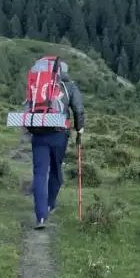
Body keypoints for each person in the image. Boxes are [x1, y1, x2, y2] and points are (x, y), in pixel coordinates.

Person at [27, 58, 85, 229]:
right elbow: (78, 109)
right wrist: (79, 129)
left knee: (39, 173)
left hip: (38, 133)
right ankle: (50, 204)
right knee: (56, 169)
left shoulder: (38, 84)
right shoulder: (69, 86)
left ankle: (41, 217)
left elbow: (28, 106)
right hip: (59, 134)